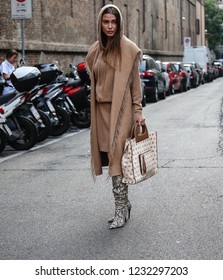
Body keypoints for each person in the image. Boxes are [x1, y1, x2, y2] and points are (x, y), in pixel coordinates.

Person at [85, 4, 145, 229]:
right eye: (106, 22)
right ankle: (125, 204)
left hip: (122, 112)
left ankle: (121, 209)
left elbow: (134, 85)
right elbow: (94, 78)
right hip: (101, 114)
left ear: (119, 24)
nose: (110, 26)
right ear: (100, 23)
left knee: (117, 159)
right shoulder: (95, 50)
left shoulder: (128, 48)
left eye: (114, 22)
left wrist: (138, 112)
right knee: (110, 159)